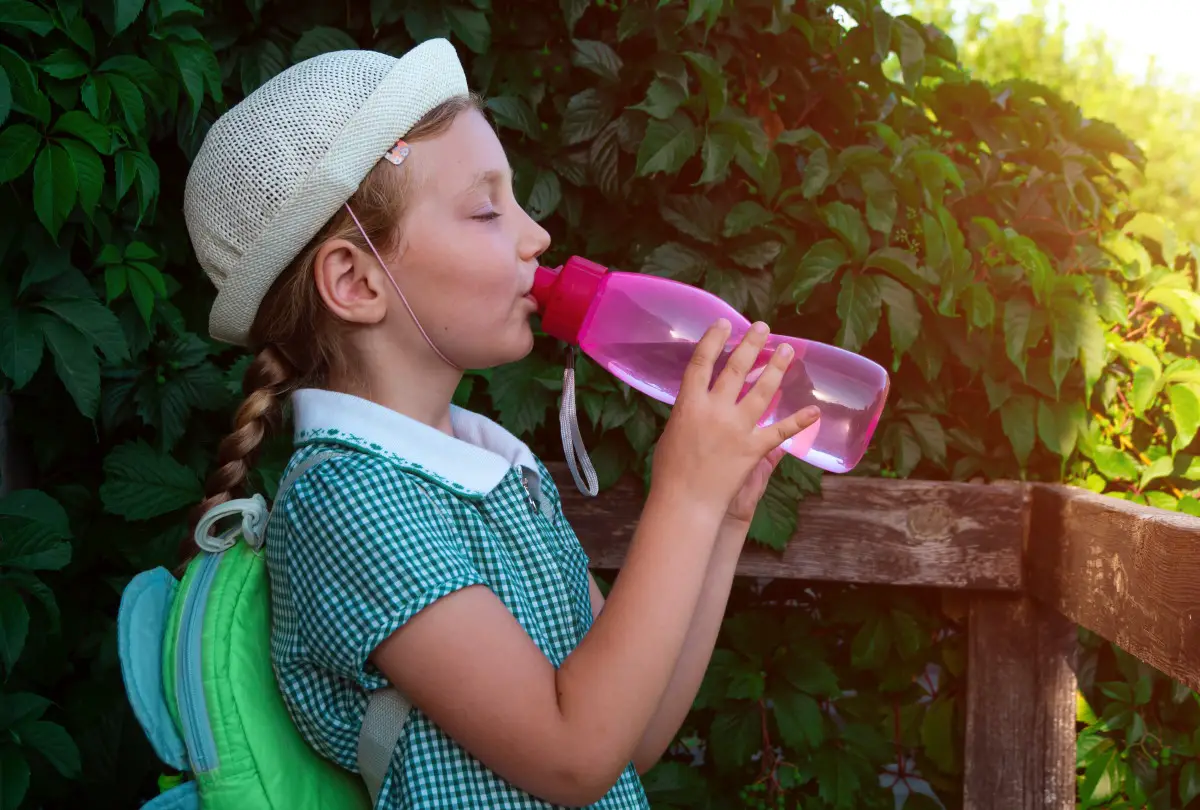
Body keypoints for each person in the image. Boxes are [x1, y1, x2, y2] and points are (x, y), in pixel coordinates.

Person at [181, 38, 819, 809]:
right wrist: (681, 495)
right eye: (487, 209)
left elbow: (631, 741)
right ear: (354, 281)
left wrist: (719, 518)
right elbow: (574, 756)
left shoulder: (496, 469)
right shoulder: (347, 502)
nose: (536, 235)